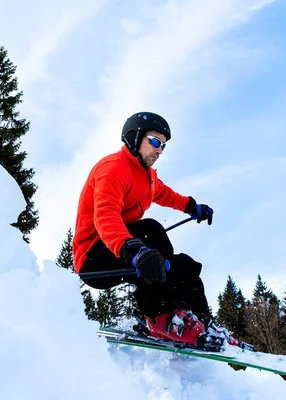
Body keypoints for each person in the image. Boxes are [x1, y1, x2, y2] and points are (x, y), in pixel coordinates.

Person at [73, 111, 233, 349]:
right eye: (155, 141)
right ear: (135, 137)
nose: (159, 150)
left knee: (184, 267)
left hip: (125, 251)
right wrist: (133, 250)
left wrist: (193, 207)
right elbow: (105, 215)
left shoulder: (147, 176)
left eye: (163, 146)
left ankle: (203, 324)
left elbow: (166, 195)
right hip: (94, 259)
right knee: (151, 230)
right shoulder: (113, 168)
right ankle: (159, 318)